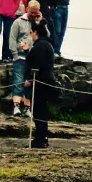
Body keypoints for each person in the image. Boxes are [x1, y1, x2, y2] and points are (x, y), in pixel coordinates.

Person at [23, 20, 55, 149]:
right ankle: (41, 137)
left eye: (31, 32)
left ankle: (41, 139)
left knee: (39, 111)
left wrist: (29, 80)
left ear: (35, 32)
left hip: (40, 82)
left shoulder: (40, 46)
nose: (31, 35)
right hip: (45, 81)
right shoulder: (47, 45)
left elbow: (36, 65)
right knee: (40, 111)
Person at [8, 2, 41, 116]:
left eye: (35, 12)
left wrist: (40, 20)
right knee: (18, 81)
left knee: (30, 83)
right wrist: (15, 55)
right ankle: (16, 107)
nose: (33, 14)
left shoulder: (39, 23)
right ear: (27, 9)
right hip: (20, 56)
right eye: (31, 11)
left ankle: (27, 108)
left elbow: (46, 35)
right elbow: (12, 39)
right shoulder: (18, 22)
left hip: (32, 58)